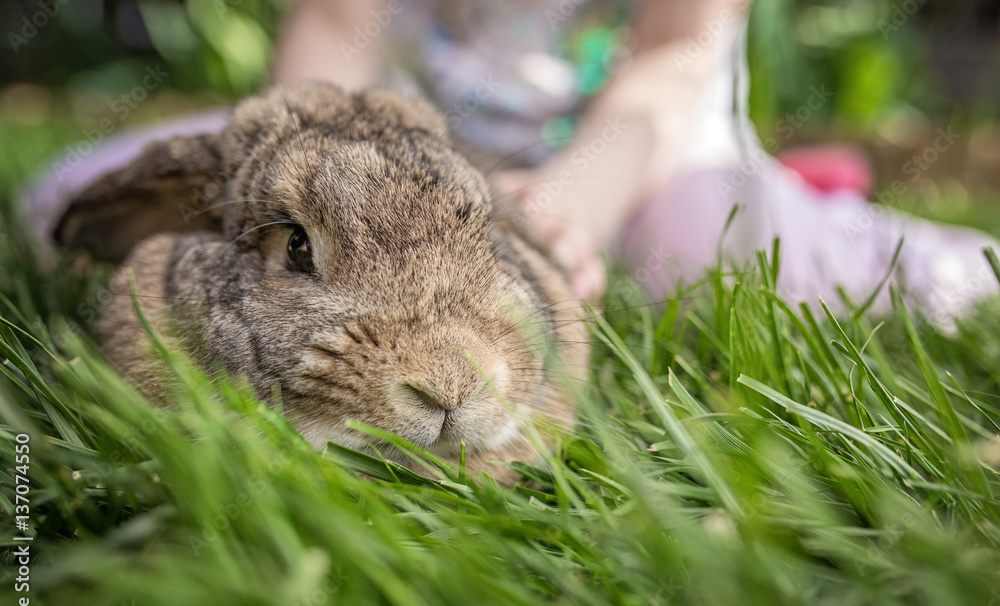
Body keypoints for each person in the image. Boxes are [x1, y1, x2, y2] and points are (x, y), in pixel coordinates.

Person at [26, 0, 1000, 325]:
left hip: (638, 156)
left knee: (715, 258)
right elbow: (333, 27)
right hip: (410, 149)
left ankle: (921, 253)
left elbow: (675, 56)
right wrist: (306, 177)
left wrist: (576, 200)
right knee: (73, 201)